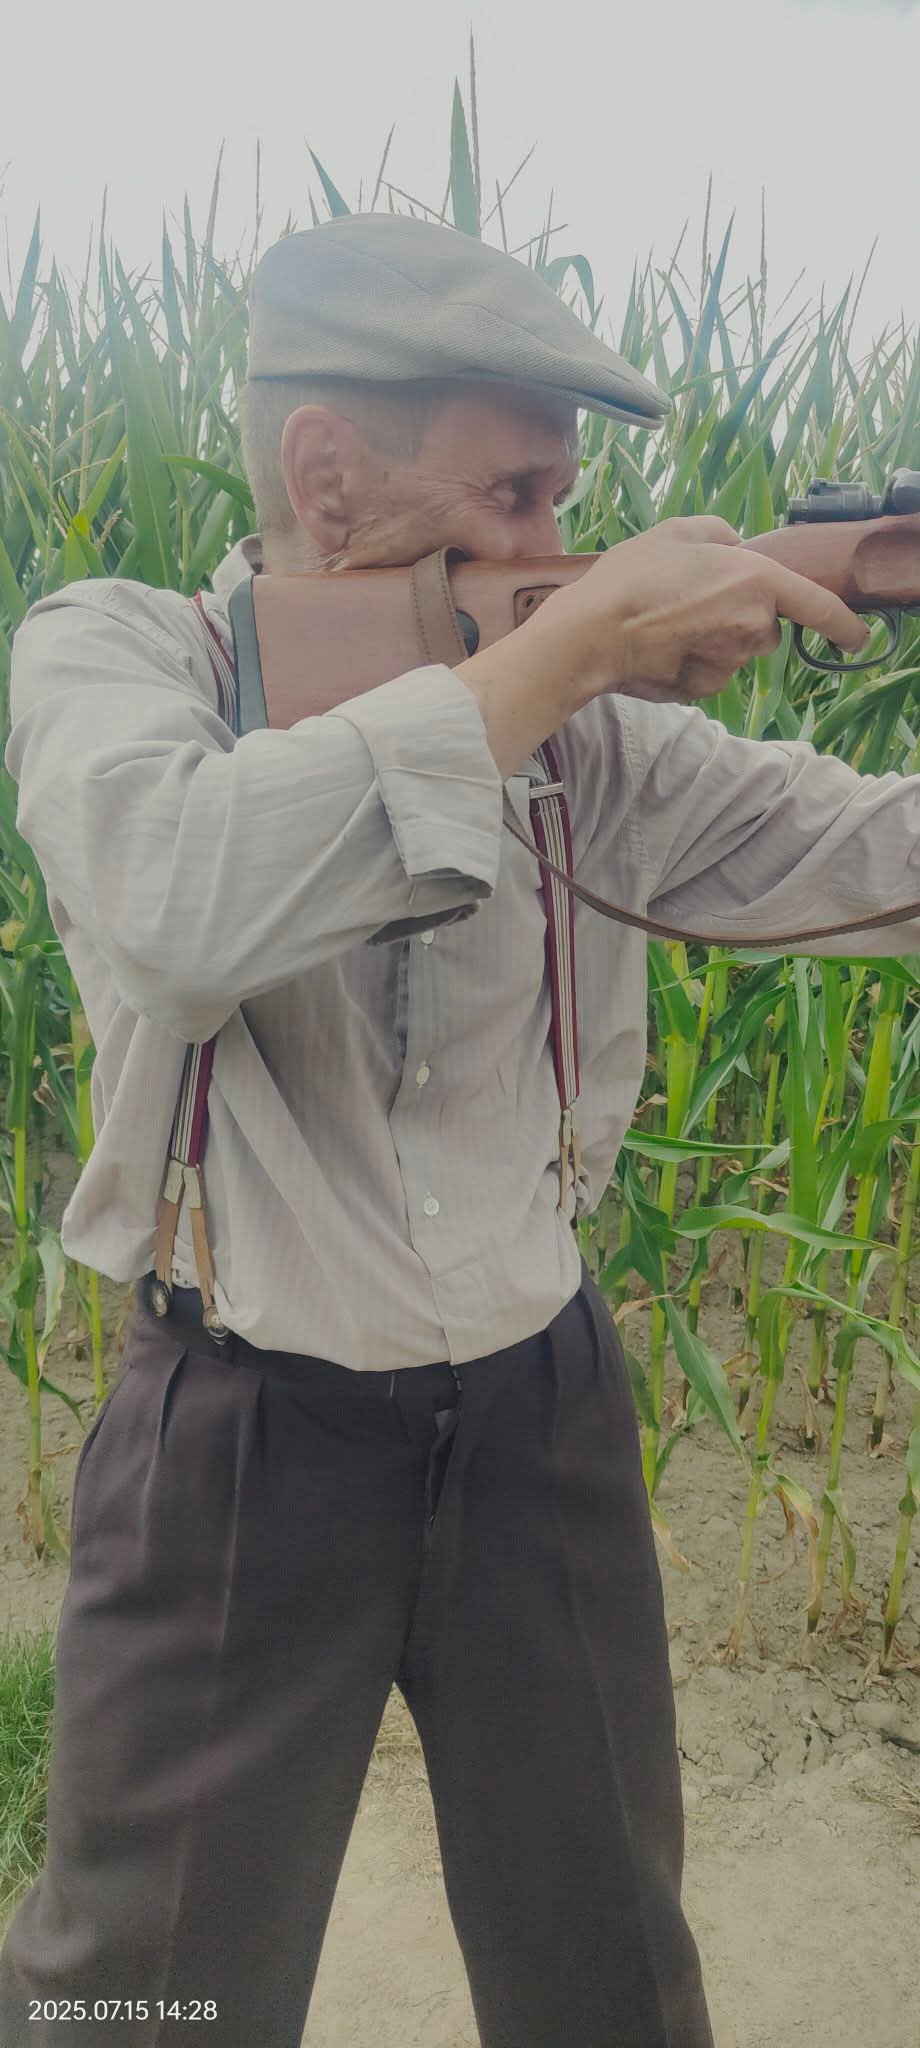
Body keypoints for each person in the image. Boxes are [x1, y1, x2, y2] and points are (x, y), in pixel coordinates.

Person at [0, 210, 917, 2048]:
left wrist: (564, 667)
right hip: (239, 1431)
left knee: (608, 1963)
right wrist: (560, 659)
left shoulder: (586, 737)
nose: (564, 548)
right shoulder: (121, 656)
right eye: (516, 496)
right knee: (144, 1990)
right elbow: (176, 902)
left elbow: (862, 851)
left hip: (538, 1414)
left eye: (570, 501)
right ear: (324, 474)